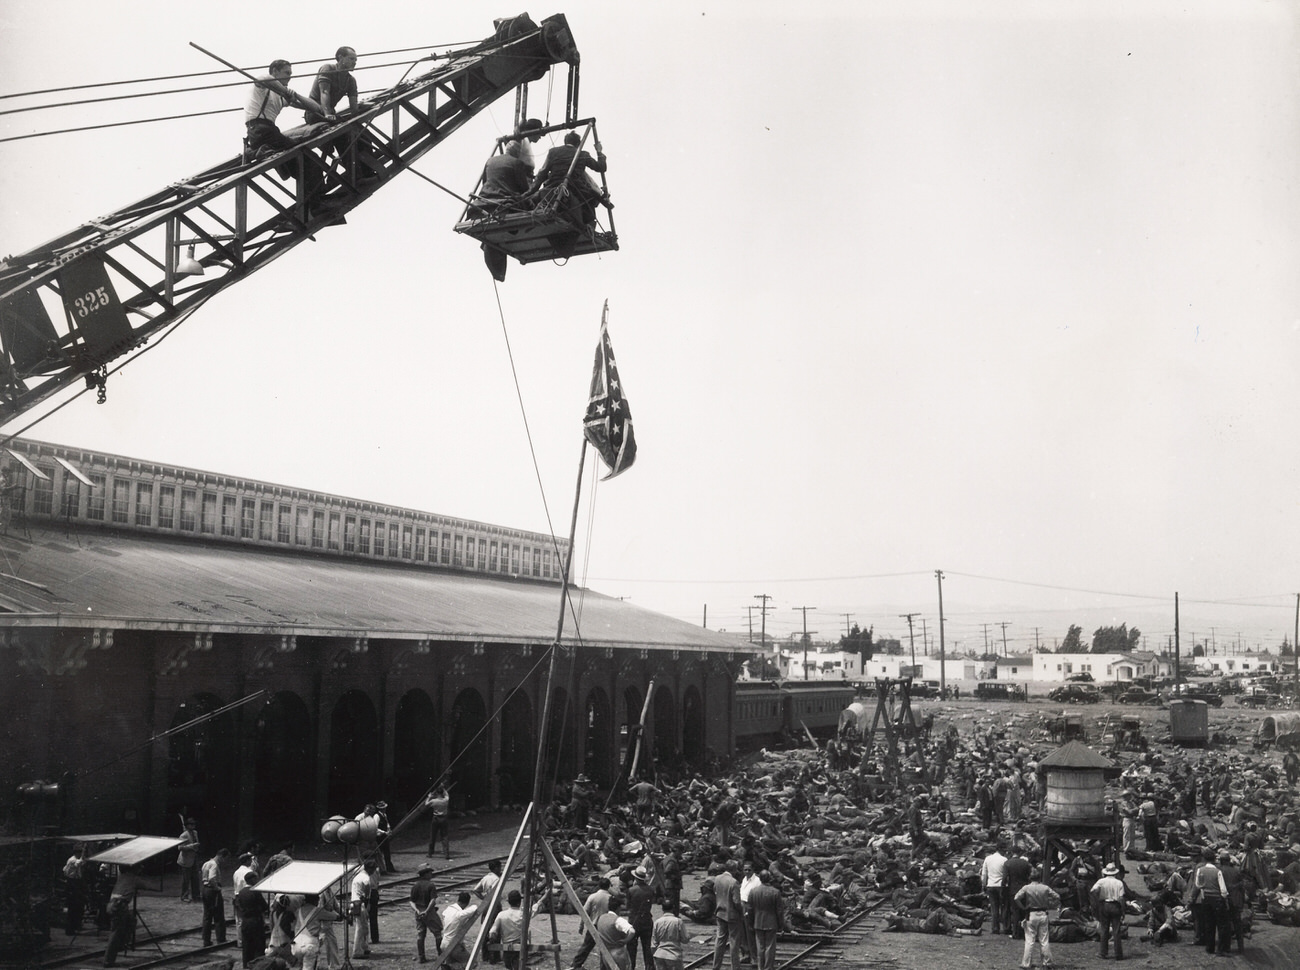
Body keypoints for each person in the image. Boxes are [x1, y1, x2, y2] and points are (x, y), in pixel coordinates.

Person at [244, 60, 330, 156]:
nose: (289, 77)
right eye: (287, 73)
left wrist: (296, 95)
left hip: (264, 132)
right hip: (260, 130)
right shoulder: (261, 88)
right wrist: (285, 91)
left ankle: (253, 151)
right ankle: (252, 152)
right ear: (275, 71)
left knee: (294, 157)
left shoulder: (281, 97)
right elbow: (265, 77)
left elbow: (316, 108)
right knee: (301, 150)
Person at [1013, 866, 1060, 970]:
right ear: (1039, 878)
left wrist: (1023, 908)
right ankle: (1047, 962)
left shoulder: (1026, 888)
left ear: (1030, 877)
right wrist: (1050, 904)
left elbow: (1016, 898)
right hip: (1043, 913)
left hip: (1031, 913)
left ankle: (1026, 963)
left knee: (1029, 940)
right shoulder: (1045, 888)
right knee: (1044, 940)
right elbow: (1057, 896)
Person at [745, 871, 788, 970]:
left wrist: (750, 923)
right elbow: (780, 911)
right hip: (771, 922)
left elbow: (750, 909)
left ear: (760, 879)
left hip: (758, 922)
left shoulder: (753, 891)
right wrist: (781, 925)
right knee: (770, 947)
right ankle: (768, 967)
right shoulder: (775, 892)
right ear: (769, 879)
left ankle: (760, 967)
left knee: (760, 946)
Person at [305, 47, 358, 124]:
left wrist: (356, 117)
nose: (354, 62)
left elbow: (353, 103)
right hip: (314, 112)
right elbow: (324, 92)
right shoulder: (328, 68)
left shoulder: (351, 80)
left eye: (355, 60)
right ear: (341, 58)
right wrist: (327, 114)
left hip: (331, 112)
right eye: (351, 59)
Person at [1191, 847, 1229, 954]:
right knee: (1221, 925)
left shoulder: (1200, 870)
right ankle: (1221, 949)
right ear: (1214, 859)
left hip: (1205, 899)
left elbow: (1198, 885)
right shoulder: (1218, 871)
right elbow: (1223, 890)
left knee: (1209, 924)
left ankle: (1209, 948)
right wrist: (1225, 898)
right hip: (1217, 899)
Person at [569, 877, 612, 970]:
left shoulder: (592, 896)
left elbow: (584, 912)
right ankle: (603, 967)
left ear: (599, 885)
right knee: (604, 950)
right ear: (608, 886)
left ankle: (576, 964)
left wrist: (581, 925)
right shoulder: (610, 898)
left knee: (586, 947)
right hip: (605, 927)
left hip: (593, 925)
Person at [103, 864, 142, 967]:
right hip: (119, 905)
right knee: (115, 933)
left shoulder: (122, 876)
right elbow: (148, 885)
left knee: (131, 920)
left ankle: (121, 944)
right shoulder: (133, 878)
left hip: (112, 904)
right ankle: (108, 960)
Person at [1090, 862, 1126, 961]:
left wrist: (1097, 901)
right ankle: (1118, 954)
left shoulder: (1101, 881)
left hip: (1104, 905)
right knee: (1116, 931)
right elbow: (1121, 898)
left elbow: (1092, 891)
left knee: (1104, 929)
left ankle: (1103, 952)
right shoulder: (1119, 883)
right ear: (1115, 873)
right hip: (1115, 905)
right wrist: (1123, 911)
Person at [711, 862, 743, 970]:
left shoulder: (717, 878)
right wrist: (742, 912)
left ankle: (716, 966)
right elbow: (737, 902)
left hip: (720, 913)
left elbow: (715, 891)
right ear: (734, 869)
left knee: (720, 941)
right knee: (734, 942)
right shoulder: (734, 882)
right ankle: (735, 967)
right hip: (732, 915)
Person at [236, 872, 270, 968]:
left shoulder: (241, 892)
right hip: (256, 921)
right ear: (252, 880)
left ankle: (246, 965)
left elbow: (237, 905)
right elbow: (264, 906)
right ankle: (258, 966)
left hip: (245, 922)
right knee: (258, 945)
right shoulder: (255, 891)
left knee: (247, 946)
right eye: (256, 879)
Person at [625, 866, 655, 970]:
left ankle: (631, 967)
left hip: (634, 921)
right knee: (647, 947)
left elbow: (628, 906)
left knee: (631, 948)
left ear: (636, 878)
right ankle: (649, 967)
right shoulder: (650, 890)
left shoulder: (631, 890)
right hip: (647, 920)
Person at [594, 894, 635, 970]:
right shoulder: (618, 920)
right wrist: (625, 940)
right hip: (618, 953)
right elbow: (632, 931)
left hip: (606, 953)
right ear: (618, 908)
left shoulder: (601, 918)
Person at [488, 889, 525, 969]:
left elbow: (492, 932)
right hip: (520, 948)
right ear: (519, 902)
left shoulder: (501, 915)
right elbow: (537, 908)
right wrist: (545, 897)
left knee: (510, 967)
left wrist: (492, 940)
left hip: (506, 949)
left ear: (509, 902)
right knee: (519, 966)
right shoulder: (523, 914)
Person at [410, 863, 440, 963]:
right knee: (438, 933)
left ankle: (421, 957)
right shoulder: (431, 885)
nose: (431, 874)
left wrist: (417, 910)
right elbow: (433, 900)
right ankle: (441, 955)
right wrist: (427, 911)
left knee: (420, 934)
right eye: (429, 872)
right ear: (425, 874)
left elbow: (411, 901)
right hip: (429, 912)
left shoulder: (415, 885)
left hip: (418, 912)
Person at [202, 848, 231, 947]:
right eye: (225, 858)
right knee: (218, 916)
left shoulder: (206, 863)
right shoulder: (214, 865)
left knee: (207, 916)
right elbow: (211, 878)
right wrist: (217, 888)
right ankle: (221, 939)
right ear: (222, 856)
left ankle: (206, 939)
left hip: (205, 890)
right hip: (212, 891)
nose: (225, 861)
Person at [650, 903, 691, 970]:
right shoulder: (678, 921)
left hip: (659, 954)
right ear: (673, 909)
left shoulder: (657, 922)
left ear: (662, 909)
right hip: (674, 955)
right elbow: (685, 939)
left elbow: (654, 943)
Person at [1003, 846, 1032, 940]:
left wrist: (1004, 889)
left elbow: (1004, 879)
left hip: (1013, 889)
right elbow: (1029, 877)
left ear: (1012, 852)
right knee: (1024, 911)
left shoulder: (1007, 863)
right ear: (1020, 853)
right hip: (1024, 889)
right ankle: (1024, 932)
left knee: (1015, 911)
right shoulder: (1026, 863)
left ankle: (1015, 933)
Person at [980, 842, 1008, 936]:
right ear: (1001, 850)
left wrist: (984, 884)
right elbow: (1006, 875)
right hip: (1001, 885)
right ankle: (1005, 927)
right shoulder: (1004, 860)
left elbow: (984, 874)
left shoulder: (988, 859)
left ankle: (995, 928)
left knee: (994, 908)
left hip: (991, 885)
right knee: (1003, 907)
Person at [349, 859, 372, 959]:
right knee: (361, 928)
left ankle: (364, 947)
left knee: (363, 927)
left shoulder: (358, 875)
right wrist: (367, 896)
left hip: (355, 903)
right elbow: (367, 884)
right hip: (360, 904)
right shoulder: (366, 877)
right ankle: (357, 951)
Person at [64, 844, 87, 936]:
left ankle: (76, 925)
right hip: (72, 883)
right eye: (79, 852)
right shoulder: (72, 860)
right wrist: (84, 853)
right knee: (72, 907)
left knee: (78, 905)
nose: (80, 853)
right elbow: (79, 863)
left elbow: (83, 862)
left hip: (77, 882)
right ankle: (70, 929)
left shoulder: (77, 860)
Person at [178, 818, 202, 902]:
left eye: (194, 824)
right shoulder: (183, 835)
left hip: (194, 858)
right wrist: (192, 846)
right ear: (187, 826)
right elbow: (180, 847)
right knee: (186, 879)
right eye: (191, 824)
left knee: (195, 878)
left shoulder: (195, 833)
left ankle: (196, 895)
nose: (193, 826)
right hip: (186, 859)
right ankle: (184, 896)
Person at [427, 785, 452, 859]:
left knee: (433, 836)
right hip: (444, 818)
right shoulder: (445, 800)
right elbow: (447, 794)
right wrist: (443, 788)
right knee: (445, 836)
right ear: (442, 793)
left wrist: (429, 796)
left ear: (437, 793)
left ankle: (430, 853)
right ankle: (446, 854)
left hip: (435, 818)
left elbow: (426, 804)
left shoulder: (433, 801)